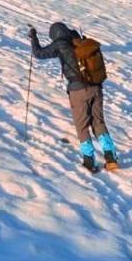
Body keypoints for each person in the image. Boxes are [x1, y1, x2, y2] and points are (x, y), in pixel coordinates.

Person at [29, 22, 119, 172]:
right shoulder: (79, 41)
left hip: (78, 91)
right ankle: (111, 158)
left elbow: (38, 54)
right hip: (96, 87)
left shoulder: (60, 44)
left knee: (82, 125)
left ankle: (89, 161)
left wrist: (33, 37)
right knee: (98, 122)